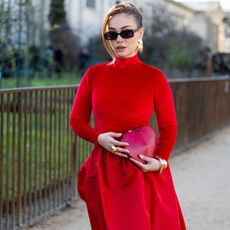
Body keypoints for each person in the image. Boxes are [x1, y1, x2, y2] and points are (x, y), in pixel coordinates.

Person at [70, 2, 186, 230]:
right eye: (112, 34)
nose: (119, 40)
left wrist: (161, 161)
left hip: (141, 168)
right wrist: (99, 138)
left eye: (126, 32)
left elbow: (169, 127)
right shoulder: (94, 75)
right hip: (105, 170)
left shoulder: (154, 77)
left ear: (140, 33)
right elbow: (76, 121)